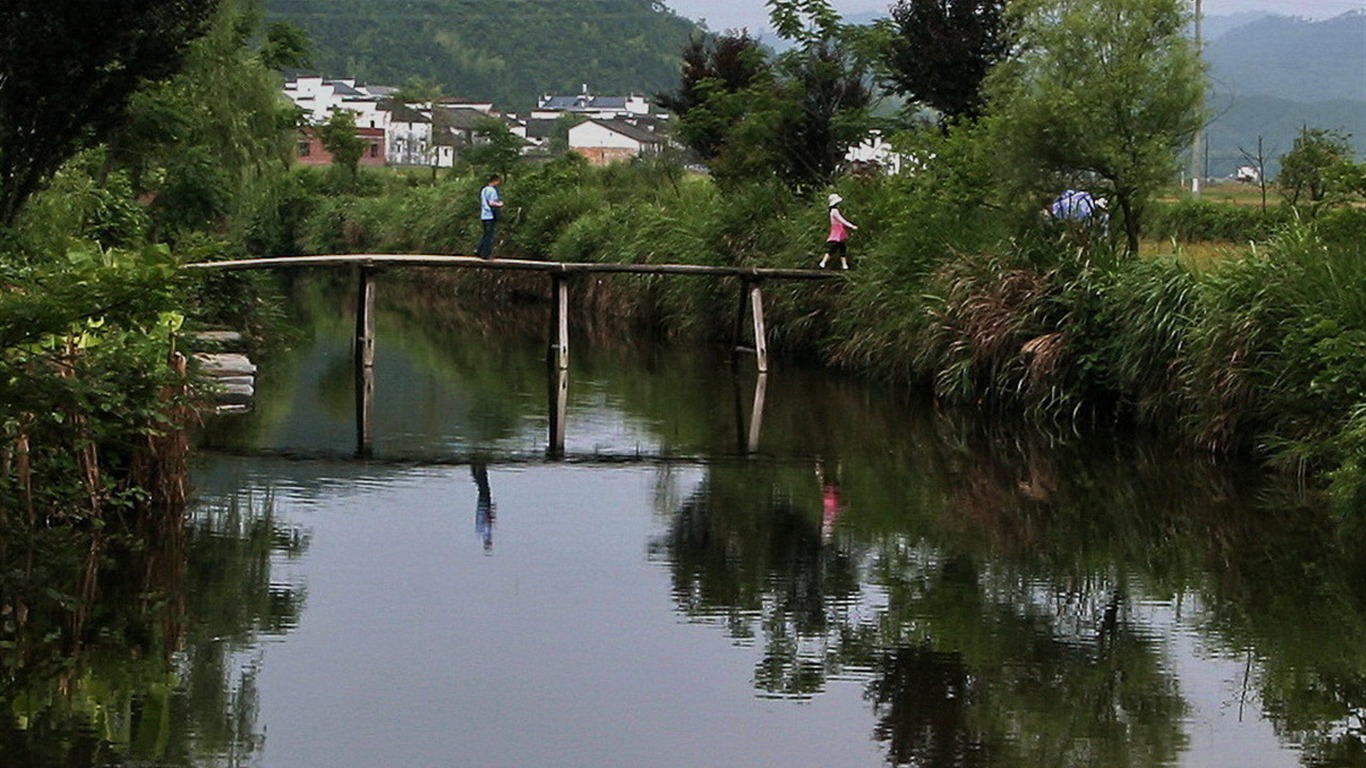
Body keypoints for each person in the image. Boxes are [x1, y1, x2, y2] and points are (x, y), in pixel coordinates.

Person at [818, 193, 858, 270]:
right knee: (836, 247)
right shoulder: (835, 211)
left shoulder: (832, 211)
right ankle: (824, 262)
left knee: (840, 247)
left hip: (837, 229)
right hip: (838, 230)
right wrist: (852, 226)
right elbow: (842, 220)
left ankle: (843, 265)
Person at [476, 174, 504, 258]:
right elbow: (491, 202)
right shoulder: (493, 191)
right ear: (495, 181)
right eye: (498, 181)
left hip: (484, 215)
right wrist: (499, 204)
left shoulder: (484, 190)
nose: (499, 183)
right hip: (490, 215)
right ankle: (485, 254)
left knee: (485, 234)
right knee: (490, 235)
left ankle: (479, 250)